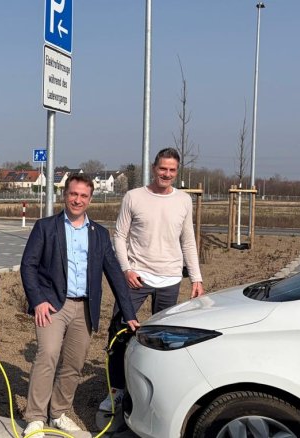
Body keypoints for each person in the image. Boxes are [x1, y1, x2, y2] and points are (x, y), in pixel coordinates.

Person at [20, 174, 140, 437]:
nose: (78, 200)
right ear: (65, 195)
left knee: (74, 363)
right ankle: (36, 417)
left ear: (90, 199)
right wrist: (38, 300)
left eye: (83, 196)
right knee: (48, 355)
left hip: (84, 307)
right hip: (52, 305)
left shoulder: (99, 234)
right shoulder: (46, 227)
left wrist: (129, 314)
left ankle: (59, 413)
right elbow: (28, 266)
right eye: (73, 194)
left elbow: (115, 275)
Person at [99, 147, 204, 412]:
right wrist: (126, 270)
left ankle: (158, 393)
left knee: (165, 340)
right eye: (162, 169)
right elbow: (119, 236)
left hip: (169, 279)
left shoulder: (183, 201)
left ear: (176, 172)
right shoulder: (134, 197)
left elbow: (188, 240)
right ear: (154, 167)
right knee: (120, 333)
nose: (166, 174)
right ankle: (116, 391)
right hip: (137, 277)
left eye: (172, 170)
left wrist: (196, 278)